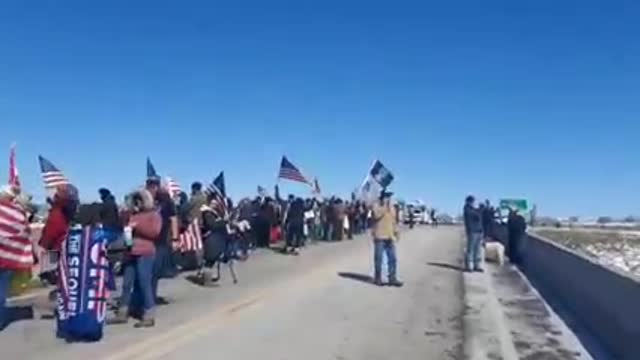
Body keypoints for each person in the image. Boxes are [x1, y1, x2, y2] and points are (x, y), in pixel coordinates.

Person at [108, 189, 162, 327]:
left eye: (140, 200)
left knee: (144, 282)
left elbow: (154, 233)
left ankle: (149, 313)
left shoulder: (154, 215)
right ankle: (123, 312)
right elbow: (127, 235)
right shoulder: (132, 216)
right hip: (130, 252)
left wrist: (137, 227)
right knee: (126, 284)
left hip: (146, 252)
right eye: (135, 200)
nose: (137, 203)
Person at [0, 186, 33, 330]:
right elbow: (24, 232)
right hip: (8, 259)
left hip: (6, 259)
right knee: (1, 290)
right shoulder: (19, 214)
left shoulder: (12, 212)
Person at [145, 178, 178, 305]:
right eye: (150, 185)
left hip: (161, 240)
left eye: (154, 185)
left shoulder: (166, 201)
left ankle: (150, 297)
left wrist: (175, 238)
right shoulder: (143, 199)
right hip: (145, 240)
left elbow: (173, 219)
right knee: (146, 272)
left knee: (155, 271)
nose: (152, 188)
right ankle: (147, 298)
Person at [371, 191, 403, 287]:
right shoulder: (376, 205)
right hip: (380, 236)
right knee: (379, 259)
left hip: (390, 236)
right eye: (387, 197)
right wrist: (385, 206)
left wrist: (397, 232)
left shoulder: (392, 208)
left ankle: (392, 278)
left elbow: (394, 221)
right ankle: (378, 278)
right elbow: (376, 215)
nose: (389, 199)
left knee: (392, 259)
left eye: (390, 197)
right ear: (382, 197)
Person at [463, 195, 484, 272]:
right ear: (469, 202)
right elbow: (476, 215)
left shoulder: (473, 209)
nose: (474, 203)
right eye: (473, 201)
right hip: (472, 231)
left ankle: (477, 265)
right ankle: (469, 266)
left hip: (479, 231)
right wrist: (481, 209)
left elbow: (479, 215)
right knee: (470, 249)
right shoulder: (467, 209)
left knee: (478, 250)